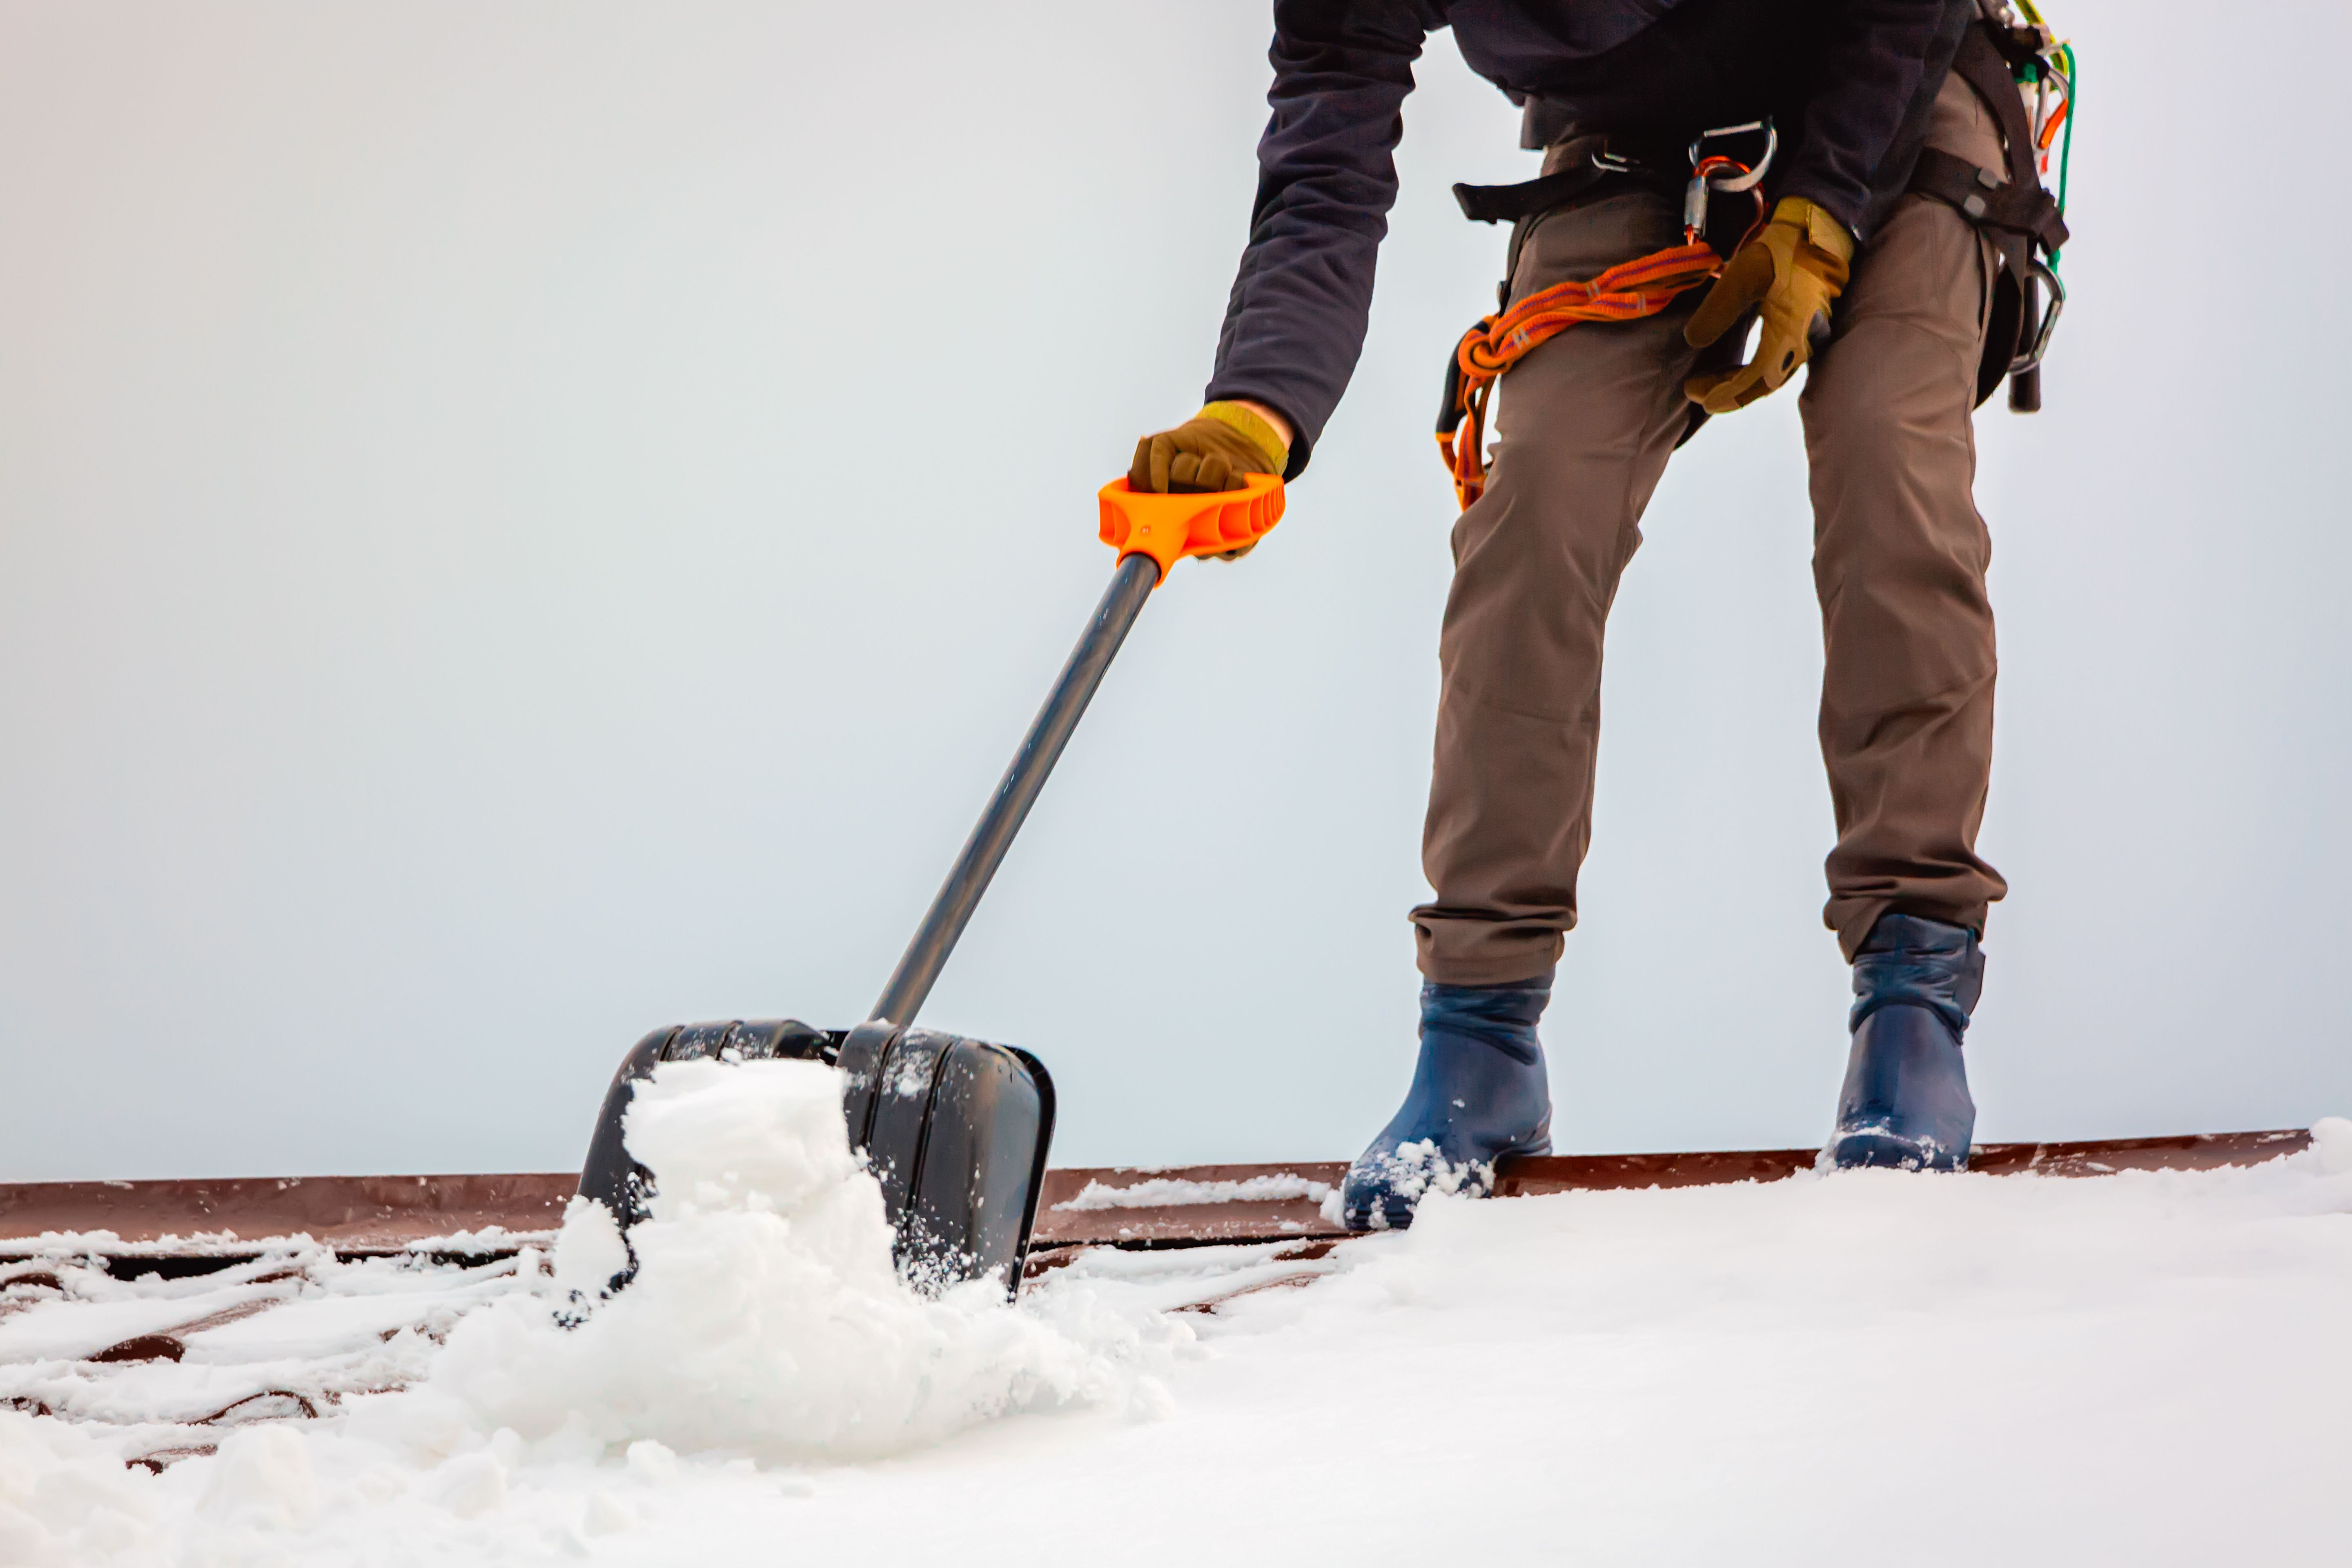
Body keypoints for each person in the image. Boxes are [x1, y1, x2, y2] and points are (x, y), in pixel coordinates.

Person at [1130, 0, 2068, 1228]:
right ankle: (1480, 1044)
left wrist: (1828, 209)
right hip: (1636, 152)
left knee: (1888, 463)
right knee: (1534, 515)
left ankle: (1913, 1004)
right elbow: (1324, 176)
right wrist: (1260, 403)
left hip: (1895, 86)